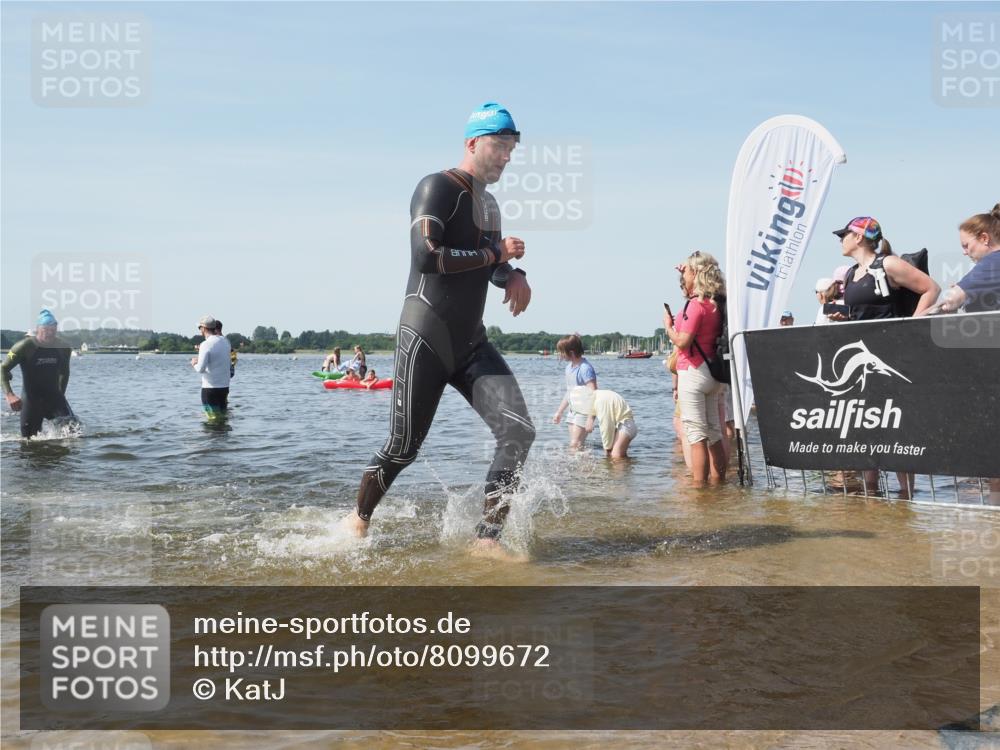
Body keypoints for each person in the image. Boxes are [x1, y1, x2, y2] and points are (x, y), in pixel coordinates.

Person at [346, 102, 534, 555]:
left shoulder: (489, 206)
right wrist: (497, 256)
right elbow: (426, 256)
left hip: (471, 342)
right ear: (472, 143)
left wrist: (514, 276)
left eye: (511, 148)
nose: (506, 157)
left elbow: (490, 268)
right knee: (403, 447)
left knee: (518, 432)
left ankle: (487, 540)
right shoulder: (436, 188)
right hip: (425, 337)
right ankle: (358, 521)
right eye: (499, 146)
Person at [664, 251, 728, 486]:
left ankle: (699, 490)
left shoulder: (696, 305)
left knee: (696, 433)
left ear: (697, 274)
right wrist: (686, 273)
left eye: (689, 271)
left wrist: (668, 327)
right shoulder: (718, 302)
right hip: (714, 374)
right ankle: (718, 483)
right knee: (714, 432)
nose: (685, 275)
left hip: (693, 372)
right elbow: (690, 290)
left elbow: (683, 341)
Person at [831, 217, 940, 320]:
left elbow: (932, 289)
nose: (841, 241)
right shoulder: (850, 273)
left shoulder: (888, 263)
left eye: (843, 236)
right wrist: (844, 317)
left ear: (858, 237)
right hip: (861, 339)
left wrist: (911, 325)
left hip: (892, 338)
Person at [1, 309, 78, 438]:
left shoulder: (63, 347)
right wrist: (10, 395)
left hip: (55, 398)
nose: (49, 334)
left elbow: (65, 373)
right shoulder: (23, 347)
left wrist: (61, 394)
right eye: (45, 330)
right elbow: (3, 369)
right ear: (37, 329)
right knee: (28, 442)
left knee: (75, 434)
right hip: (31, 400)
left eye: (52, 330)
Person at [925, 203, 1000, 314]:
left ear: (984, 238)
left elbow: (950, 301)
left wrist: (909, 323)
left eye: (966, 245)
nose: (964, 252)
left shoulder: (992, 263)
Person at [552, 334, 597, 449]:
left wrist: (590, 419)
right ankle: (583, 466)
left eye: (562, 352)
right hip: (573, 411)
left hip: (584, 411)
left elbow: (594, 394)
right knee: (577, 445)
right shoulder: (569, 368)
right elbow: (569, 393)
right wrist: (559, 411)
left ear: (571, 353)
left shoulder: (585, 368)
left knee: (575, 444)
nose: (560, 355)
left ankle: (579, 466)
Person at [570, 386, 637, 459]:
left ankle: (623, 468)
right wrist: (590, 420)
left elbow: (606, 426)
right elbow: (592, 409)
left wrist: (607, 448)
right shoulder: (596, 395)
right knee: (617, 457)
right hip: (622, 425)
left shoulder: (600, 402)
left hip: (626, 425)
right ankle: (627, 467)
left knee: (615, 457)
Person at [191, 315, 232, 418]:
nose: (200, 330)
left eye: (199, 328)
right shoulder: (226, 342)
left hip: (210, 390)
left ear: (204, 328)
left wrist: (194, 363)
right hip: (224, 388)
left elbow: (201, 369)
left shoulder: (205, 344)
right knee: (222, 419)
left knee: (212, 421)